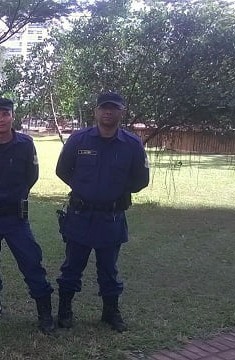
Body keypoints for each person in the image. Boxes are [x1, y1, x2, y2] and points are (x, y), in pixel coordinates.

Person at [55, 92, 149, 332]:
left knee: (109, 269)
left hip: (112, 216)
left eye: (113, 108)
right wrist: (85, 189)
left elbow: (141, 179)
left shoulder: (132, 144)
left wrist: (113, 191)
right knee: (72, 267)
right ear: (96, 111)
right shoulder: (79, 139)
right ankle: (65, 311)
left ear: (121, 111)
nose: (108, 112)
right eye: (104, 108)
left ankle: (110, 312)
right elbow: (62, 170)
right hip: (80, 215)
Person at [0, 98, 55, 334]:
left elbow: (32, 176)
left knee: (31, 260)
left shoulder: (25, 144)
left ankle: (44, 312)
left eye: (5, 114)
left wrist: (13, 195)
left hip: (15, 217)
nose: (0, 119)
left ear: (12, 117)